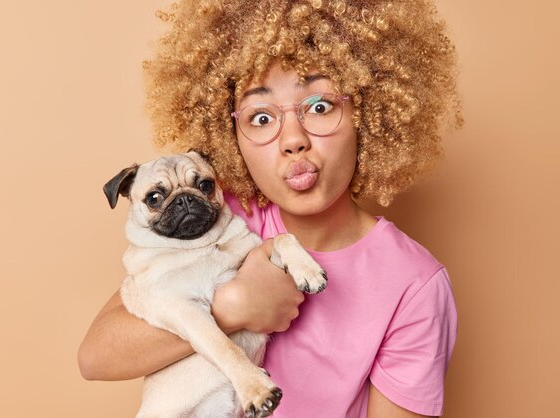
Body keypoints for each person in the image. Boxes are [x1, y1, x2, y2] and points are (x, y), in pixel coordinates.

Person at [78, 1, 461, 417]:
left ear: (367, 114)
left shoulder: (413, 285)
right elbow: (96, 357)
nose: (293, 139)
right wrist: (232, 307)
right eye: (261, 117)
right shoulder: (220, 222)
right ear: (229, 135)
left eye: (319, 106)